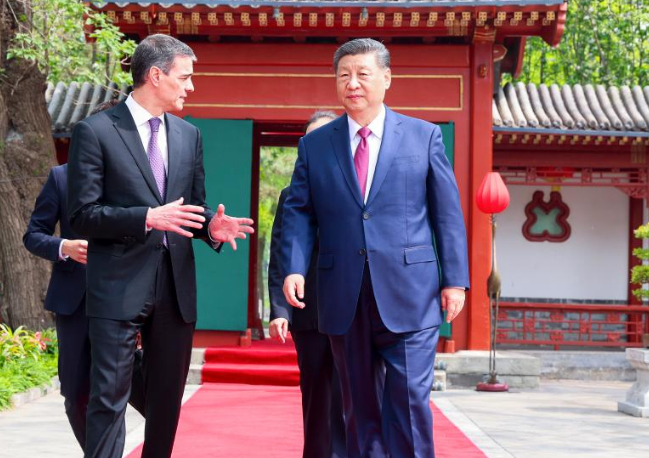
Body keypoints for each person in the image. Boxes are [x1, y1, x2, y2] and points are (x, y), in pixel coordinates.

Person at [67, 34, 254, 458]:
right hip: (117, 286)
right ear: (155, 75)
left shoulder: (189, 135)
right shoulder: (95, 131)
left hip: (175, 287)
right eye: (184, 77)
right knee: (108, 399)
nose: (191, 86)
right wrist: (145, 218)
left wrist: (211, 228)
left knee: (166, 402)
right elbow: (81, 215)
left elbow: (192, 207)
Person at [281, 39, 470, 457]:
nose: (352, 83)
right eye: (344, 75)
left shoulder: (423, 136)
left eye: (362, 74)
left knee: (409, 403)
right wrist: (294, 267)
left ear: (386, 78)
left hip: (411, 292)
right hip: (343, 294)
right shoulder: (316, 145)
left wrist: (455, 280)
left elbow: (447, 213)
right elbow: (299, 211)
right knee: (358, 409)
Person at [22, 99, 146, 451]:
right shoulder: (61, 178)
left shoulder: (141, 181)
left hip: (127, 300)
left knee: (122, 390)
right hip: (75, 302)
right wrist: (64, 246)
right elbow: (33, 235)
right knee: (75, 392)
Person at [268, 110, 346, 458]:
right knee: (315, 395)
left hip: (350, 309)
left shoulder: (357, 187)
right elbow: (279, 255)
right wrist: (279, 309)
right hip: (307, 309)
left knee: (351, 393)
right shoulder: (290, 195)